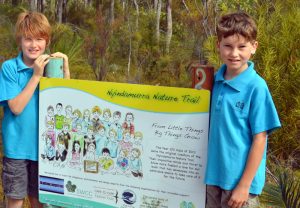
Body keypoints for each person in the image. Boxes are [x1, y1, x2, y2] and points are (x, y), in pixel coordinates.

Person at [204, 12, 281, 208]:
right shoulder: (214, 82)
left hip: (240, 186)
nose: (234, 53)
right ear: (218, 45)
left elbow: (260, 139)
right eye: (228, 46)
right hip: (213, 178)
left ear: (254, 47)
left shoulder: (256, 87)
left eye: (242, 47)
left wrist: (244, 185)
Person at [0, 11, 70, 208]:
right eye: (28, 39)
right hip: (17, 150)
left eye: (39, 39)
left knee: (39, 201)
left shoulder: (52, 68)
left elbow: (65, 104)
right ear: (20, 40)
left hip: (44, 150)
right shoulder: (10, 68)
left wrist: (64, 71)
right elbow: (15, 107)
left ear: (47, 41)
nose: (34, 45)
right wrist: (36, 77)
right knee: (15, 200)